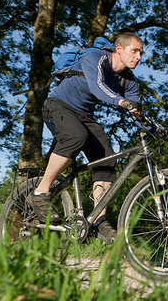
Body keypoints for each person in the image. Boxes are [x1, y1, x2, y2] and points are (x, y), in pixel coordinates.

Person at [26, 32, 144, 243]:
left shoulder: (129, 81)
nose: (139, 57)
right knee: (75, 137)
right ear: (119, 49)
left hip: (83, 115)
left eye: (141, 53)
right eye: (134, 51)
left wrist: (160, 129)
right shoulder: (96, 58)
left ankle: (98, 220)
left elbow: (137, 112)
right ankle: (40, 192)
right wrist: (121, 102)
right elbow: (97, 87)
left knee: (107, 157)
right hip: (58, 106)